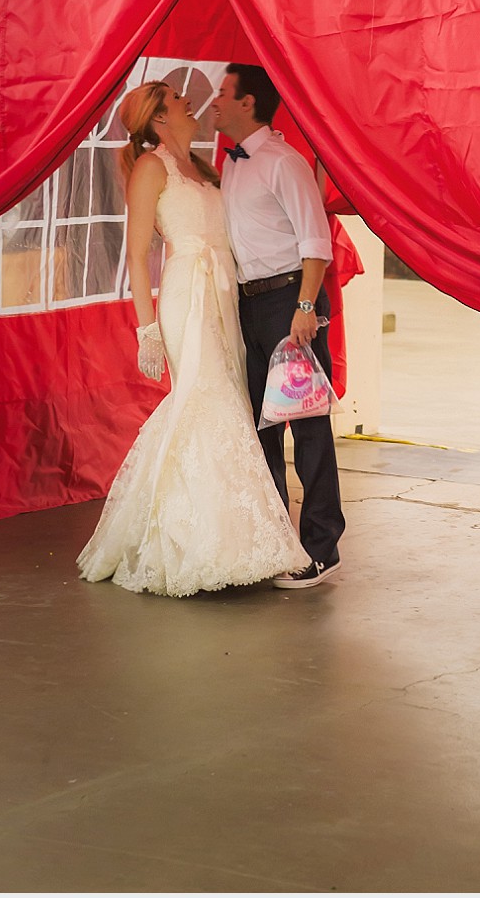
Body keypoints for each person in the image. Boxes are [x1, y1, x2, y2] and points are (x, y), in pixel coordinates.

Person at [77, 80, 303, 596]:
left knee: (230, 400)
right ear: (159, 118)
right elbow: (136, 254)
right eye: (178, 99)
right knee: (204, 399)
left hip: (224, 290)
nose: (189, 103)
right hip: (187, 293)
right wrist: (147, 328)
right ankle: (195, 542)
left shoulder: (203, 167)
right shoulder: (151, 167)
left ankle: (229, 536)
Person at [213, 64, 346, 590]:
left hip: (292, 301)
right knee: (263, 427)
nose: (215, 102)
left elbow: (317, 242)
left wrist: (306, 309)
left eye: (223, 93)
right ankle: (274, 542)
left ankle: (321, 547)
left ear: (248, 103)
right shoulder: (232, 164)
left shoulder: (283, 161)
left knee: (308, 425)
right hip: (250, 305)